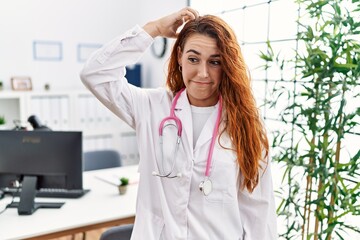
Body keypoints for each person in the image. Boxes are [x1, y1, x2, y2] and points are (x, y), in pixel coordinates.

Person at [80, 7, 277, 240]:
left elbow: (259, 213)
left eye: (215, 62)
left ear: (227, 66)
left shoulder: (247, 124)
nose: (203, 73)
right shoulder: (151, 107)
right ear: (180, 57)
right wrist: (153, 29)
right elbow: (95, 73)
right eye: (193, 59)